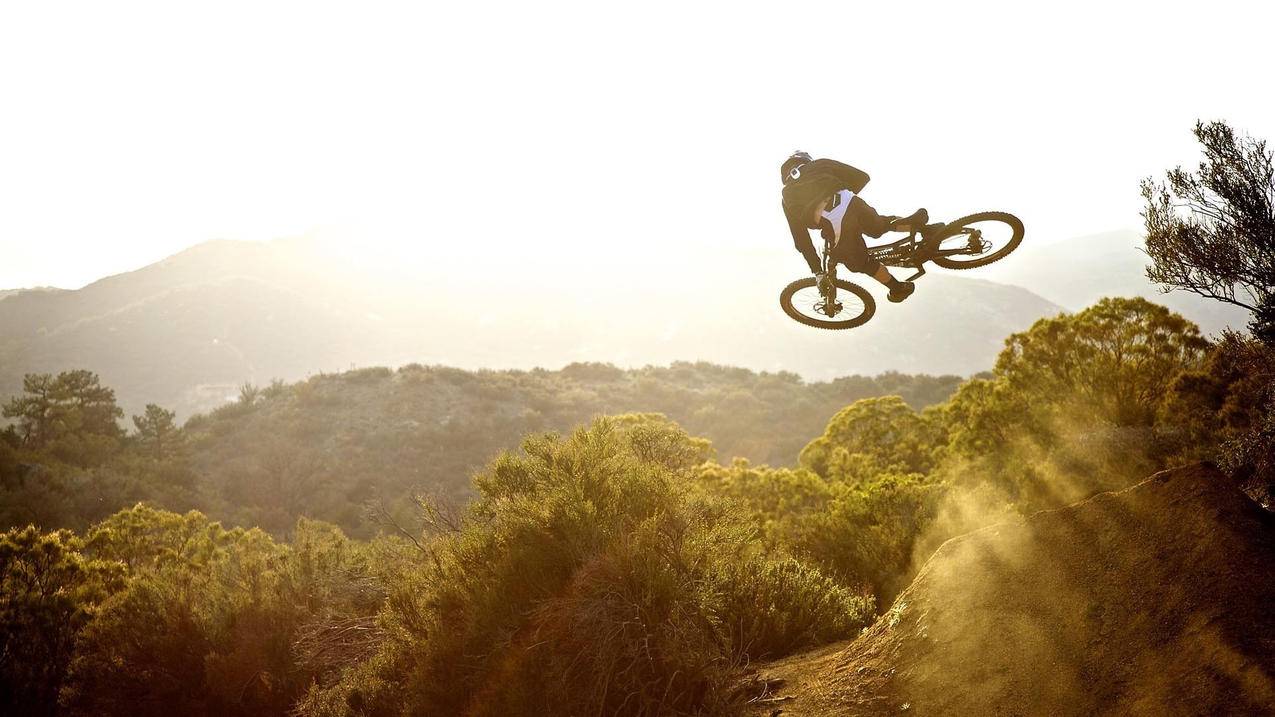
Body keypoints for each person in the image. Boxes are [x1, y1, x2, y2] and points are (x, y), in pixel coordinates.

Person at [780, 151, 929, 303]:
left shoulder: (787, 195)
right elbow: (862, 177)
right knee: (878, 226)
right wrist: (842, 194)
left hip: (834, 221)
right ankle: (923, 228)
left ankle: (897, 288)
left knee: (857, 262)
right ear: (806, 161)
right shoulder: (821, 163)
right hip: (850, 200)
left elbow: (801, 239)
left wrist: (818, 271)